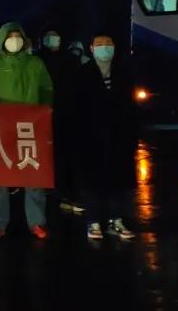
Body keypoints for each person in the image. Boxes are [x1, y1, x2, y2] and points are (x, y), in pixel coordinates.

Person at [0, 22, 54, 240]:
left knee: (34, 175)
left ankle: (37, 222)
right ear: (2, 40)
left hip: (32, 127)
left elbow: (46, 89)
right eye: (10, 36)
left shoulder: (36, 64)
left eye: (18, 36)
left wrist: (44, 110)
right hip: (1, 129)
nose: (14, 40)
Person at [76, 32, 136, 241]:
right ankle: (93, 222)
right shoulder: (82, 74)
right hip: (90, 139)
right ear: (91, 48)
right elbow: (74, 109)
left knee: (118, 181)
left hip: (119, 137)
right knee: (92, 182)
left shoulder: (123, 73)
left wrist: (131, 134)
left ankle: (116, 220)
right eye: (99, 44)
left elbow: (131, 107)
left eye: (108, 43)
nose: (104, 47)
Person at [36, 25, 82, 214]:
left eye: (55, 35)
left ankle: (66, 192)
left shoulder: (70, 60)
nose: (52, 38)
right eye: (48, 35)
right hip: (42, 114)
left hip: (66, 113)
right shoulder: (37, 60)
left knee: (65, 155)